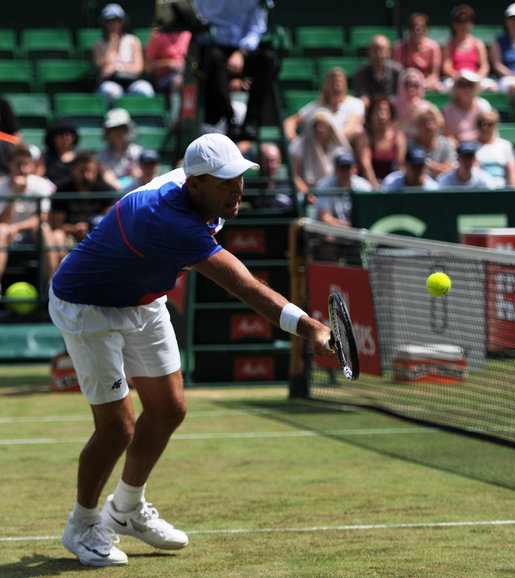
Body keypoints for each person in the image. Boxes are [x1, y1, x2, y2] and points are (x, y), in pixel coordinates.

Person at [49, 133, 334, 567]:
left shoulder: (207, 197)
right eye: (225, 182)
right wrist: (310, 326)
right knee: (117, 428)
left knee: (169, 409)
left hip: (143, 297)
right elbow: (244, 286)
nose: (237, 188)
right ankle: (82, 524)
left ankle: (125, 509)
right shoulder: (170, 219)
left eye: (239, 176)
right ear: (195, 183)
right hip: (88, 304)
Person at [194, 0, 277, 141]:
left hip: (244, 50)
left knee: (268, 59)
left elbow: (256, 29)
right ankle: (230, 119)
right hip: (212, 48)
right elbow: (196, 23)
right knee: (213, 58)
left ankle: (250, 122)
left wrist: (241, 53)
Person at [0, 144, 59, 299]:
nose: (22, 169)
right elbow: (3, 220)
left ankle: (52, 282)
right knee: (1, 229)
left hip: (29, 233)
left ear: (32, 165)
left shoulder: (41, 185)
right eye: (18, 164)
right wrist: (15, 195)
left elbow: (42, 217)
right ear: (9, 165)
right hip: (5, 235)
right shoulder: (0, 187)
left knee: (44, 228)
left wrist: (16, 228)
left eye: (26, 164)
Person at [49, 150, 118, 254]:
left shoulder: (104, 190)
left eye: (91, 171)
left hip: (98, 235)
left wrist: (91, 228)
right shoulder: (63, 190)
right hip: (69, 235)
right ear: (73, 170)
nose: (87, 176)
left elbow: (110, 221)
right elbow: (58, 225)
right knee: (57, 235)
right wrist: (74, 229)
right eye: (83, 171)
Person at [94, 3, 155, 106]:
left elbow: (138, 68)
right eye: (110, 21)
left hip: (132, 82)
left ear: (123, 22)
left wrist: (116, 68)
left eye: (117, 21)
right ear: (104, 23)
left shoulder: (133, 41)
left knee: (145, 89)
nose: (114, 24)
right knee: (110, 91)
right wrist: (112, 46)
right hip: (110, 83)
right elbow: (102, 68)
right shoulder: (98, 44)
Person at [284, 67, 365, 143]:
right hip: (318, 150)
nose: (336, 87)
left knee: (358, 131)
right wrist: (294, 140)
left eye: (339, 83)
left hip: (344, 149)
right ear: (325, 86)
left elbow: (351, 126)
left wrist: (328, 139)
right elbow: (291, 121)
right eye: (332, 83)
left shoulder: (356, 104)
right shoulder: (316, 106)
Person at [289, 108, 352, 195]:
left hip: (333, 193)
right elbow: (295, 176)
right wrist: (308, 195)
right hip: (308, 192)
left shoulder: (337, 148)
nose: (319, 129)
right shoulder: (299, 146)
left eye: (323, 125)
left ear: (329, 128)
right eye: (316, 125)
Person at [355, 96, 407, 187]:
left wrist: (395, 186)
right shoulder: (365, 136)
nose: (381, 116)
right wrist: (375, 189)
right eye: (378, 111)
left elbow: (400, 164)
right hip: (369, 185)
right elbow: (365, 164)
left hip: (392, 185)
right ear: (371, 115)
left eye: (385, 111)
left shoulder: (399, 137)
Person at [441, 4, 495, 92]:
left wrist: (475, 78)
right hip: (456, 79)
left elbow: (484, 66)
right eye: (459, 20)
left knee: (492, 88)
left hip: (475, 78)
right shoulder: (449, 44)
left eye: (466, 20)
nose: (462, 24)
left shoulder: (478, 43)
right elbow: (447, 67)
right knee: (445, 88)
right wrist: (459, 78)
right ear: (454, 23)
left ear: (471, 23)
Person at [313, 152, 373, 227]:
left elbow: (368, 216)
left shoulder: (364, 187)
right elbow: (325, 217)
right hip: (333, 231)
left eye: (347, 168)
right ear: (336, 170)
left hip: (359, 233)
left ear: (354, 169)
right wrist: (350, 228)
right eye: (342, 168)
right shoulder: (324, 186)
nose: (345, 172)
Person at [96, 107, 143, 191]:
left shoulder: (138, 151)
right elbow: (106, 175)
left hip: (133, 192)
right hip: (110, 195)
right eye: (114, 129)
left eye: (122, 128)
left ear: (127, 130)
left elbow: (137, 174)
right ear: (108, 132)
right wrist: (120, 189)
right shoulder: (101, 154)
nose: (118, 132)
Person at [393, 12, 443, 92]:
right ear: (409, 29)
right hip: (405, 86)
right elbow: (397, 73)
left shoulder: (433, 47)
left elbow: (434, 75)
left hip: (427, 85)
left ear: (426, 30)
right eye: (413, 26)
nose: (417, 30)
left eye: (422, 27)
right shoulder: (399, 47)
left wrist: (421, 86)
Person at [442, 70, 493, 145]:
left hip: (481, 146)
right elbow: (449, 136)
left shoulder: (483, 105)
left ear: (476, 87)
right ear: (455, 87)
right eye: (461, 84)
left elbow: (489, 131)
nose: (466, 88)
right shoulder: (449, 109)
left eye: (470, 84)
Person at [351, 35, 402, 108]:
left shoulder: (397, 72)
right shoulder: (360, 73)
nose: (379, 54)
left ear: (388, 52)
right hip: (370, 113)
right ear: (369, 52)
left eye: (382, 50)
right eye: (375, 50)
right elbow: (361, 98)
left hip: (393, 112)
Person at [407, 102, 456, 178]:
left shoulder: (446, 144)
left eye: (432, 121)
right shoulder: (410, 146)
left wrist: (426, 165)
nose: (428, 126)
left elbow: (449, 169)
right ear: (417, 125)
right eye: (424, 122)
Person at [474, 109, 515, 188]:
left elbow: (513, 172)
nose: (485, 127)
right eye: (482, 124)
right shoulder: (471, 147)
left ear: (495, 126)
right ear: (477, 126)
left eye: (490, 124)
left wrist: (513, 192)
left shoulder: (505, 145)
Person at [247, 142, 296, 214]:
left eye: (273, 161)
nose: (271, 166)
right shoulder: (251, 187)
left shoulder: (289, 186)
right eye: (266, 161)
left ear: (279, 161)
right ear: (260, 161)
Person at [144, 27, 192, 97]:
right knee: (179, 81)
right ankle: (175, 108)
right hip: (164, 78)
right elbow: (148, 66)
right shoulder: (157, 35)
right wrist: (169, 64)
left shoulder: (188, 34)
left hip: (186, 74)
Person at [43, 118, 80, 189]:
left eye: (70, 134)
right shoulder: (43, 158)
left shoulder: (80, 158)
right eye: (62, 134)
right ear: (52, 137)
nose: (67, 137)